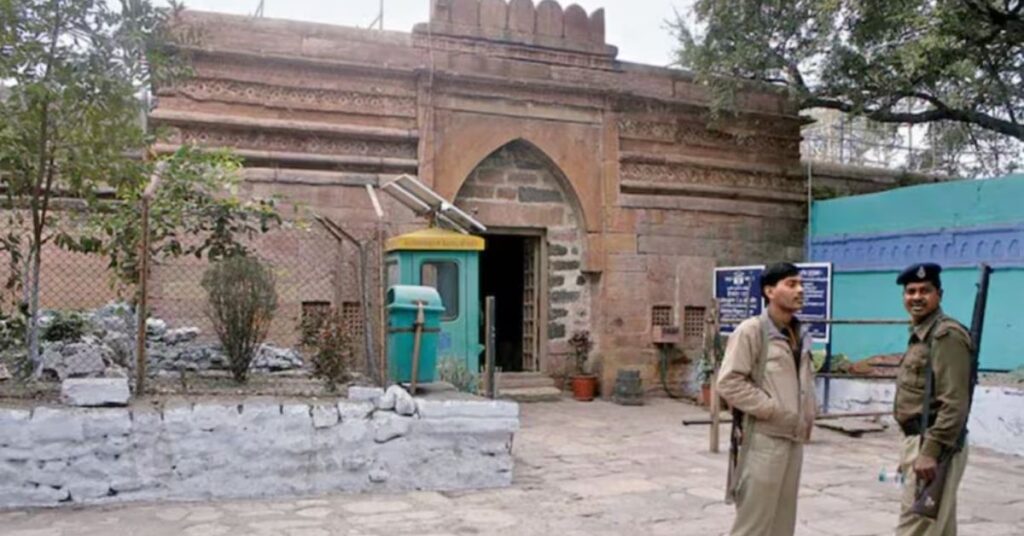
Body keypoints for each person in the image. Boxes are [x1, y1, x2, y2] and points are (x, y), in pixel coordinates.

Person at [718, 262, 817, 536]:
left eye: (800, 284)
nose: (800, 290)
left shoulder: (799, 333)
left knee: (783, 525)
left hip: (793, 440)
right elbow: (729, 382)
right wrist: (772, 409)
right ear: (770, 291)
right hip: (763, 440)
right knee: (754, 525)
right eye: (791, 284)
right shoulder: (752, 331)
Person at [893, 262, 972, 536]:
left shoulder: (945, 336)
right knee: (937, 527)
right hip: (918, 441)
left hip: (934, 445)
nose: (916, 297)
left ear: (939, 294)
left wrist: (929, 452)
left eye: (924, 291)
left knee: (914, 528)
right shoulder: (922, 334)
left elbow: (955, 402)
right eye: (910, 291)